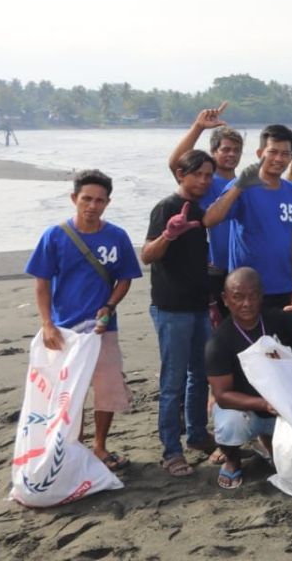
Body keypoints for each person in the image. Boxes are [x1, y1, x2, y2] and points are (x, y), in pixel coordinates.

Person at [26, 169, 142, 472]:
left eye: (99, 200)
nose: (92, 205)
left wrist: (109, 306)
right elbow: (42, 283)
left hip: (103, 329)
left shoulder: (116, 236)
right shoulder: (55, 235)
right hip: (64, 330)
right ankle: (69, 444)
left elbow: (125, 278)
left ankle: (100, 446)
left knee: (107, 390)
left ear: (108, 202)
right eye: (86, 199)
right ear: (74, 198)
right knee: (66, 392)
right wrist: (47, 324)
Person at [204, 268, 292, 490]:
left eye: (252, 296)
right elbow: (222, 396)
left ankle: (270, 443)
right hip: (247, 410)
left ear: (261, 296)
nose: (246, 303)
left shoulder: (274, 318)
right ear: (226, 299)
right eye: (238, 297)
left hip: (284, 408)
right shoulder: (219, 341)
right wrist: (263, 404)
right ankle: (232, 459)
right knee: (229, 424)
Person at [141, 150, 218, 476]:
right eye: (196, 174)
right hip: (171, 309)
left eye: (207, 175)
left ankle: (197, 435)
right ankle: (171, 450)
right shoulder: (167, 208)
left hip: (199, 307)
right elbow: (147, 255)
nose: (202, 180)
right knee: (172, 383)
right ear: (180, 175)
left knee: (200, 376)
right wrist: (168, 235)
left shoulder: (200, 211)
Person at [203, 124, 292, 311]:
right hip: (246, 291)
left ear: (291, 157)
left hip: (284, 287)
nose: (278, 158)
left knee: (281, 340)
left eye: (285, 154)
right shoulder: (242, 186)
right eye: (272, 152)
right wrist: (239, 186)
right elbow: (209, 220)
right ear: (260, 153)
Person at [167, 103, 242, 321]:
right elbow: (176, 164)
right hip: (213, 270)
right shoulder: (205, 182)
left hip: (240, 267)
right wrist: (198, 127)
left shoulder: (243, 185)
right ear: (214, 151)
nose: (231, 154)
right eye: (225, 149)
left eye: (236, 150)